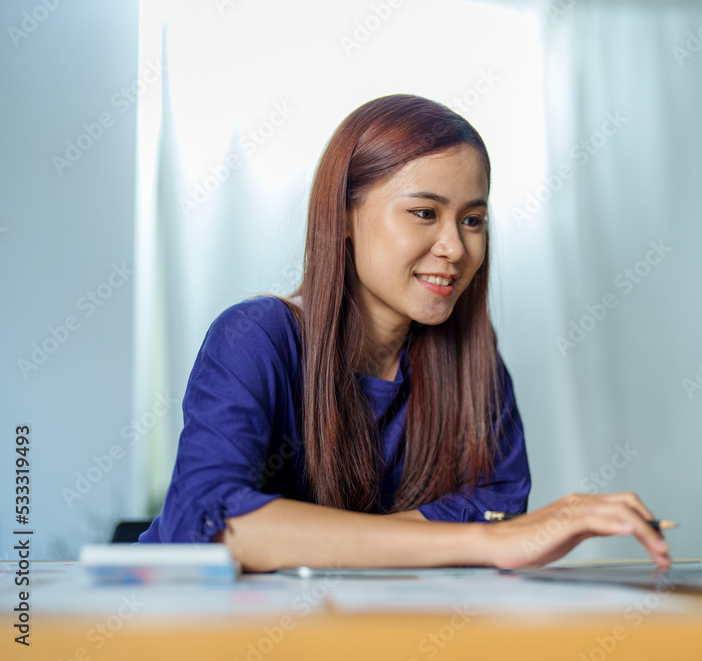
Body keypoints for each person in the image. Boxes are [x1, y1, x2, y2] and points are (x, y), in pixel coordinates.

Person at [138, 94, 671, 573]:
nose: (455, 248)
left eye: (472, 220)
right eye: (423, 212)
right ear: (344, 217)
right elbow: (213, 526)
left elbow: (499, 512)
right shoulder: (255, 338)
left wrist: (485, 535)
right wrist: (484, 541)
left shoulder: (473, 364)